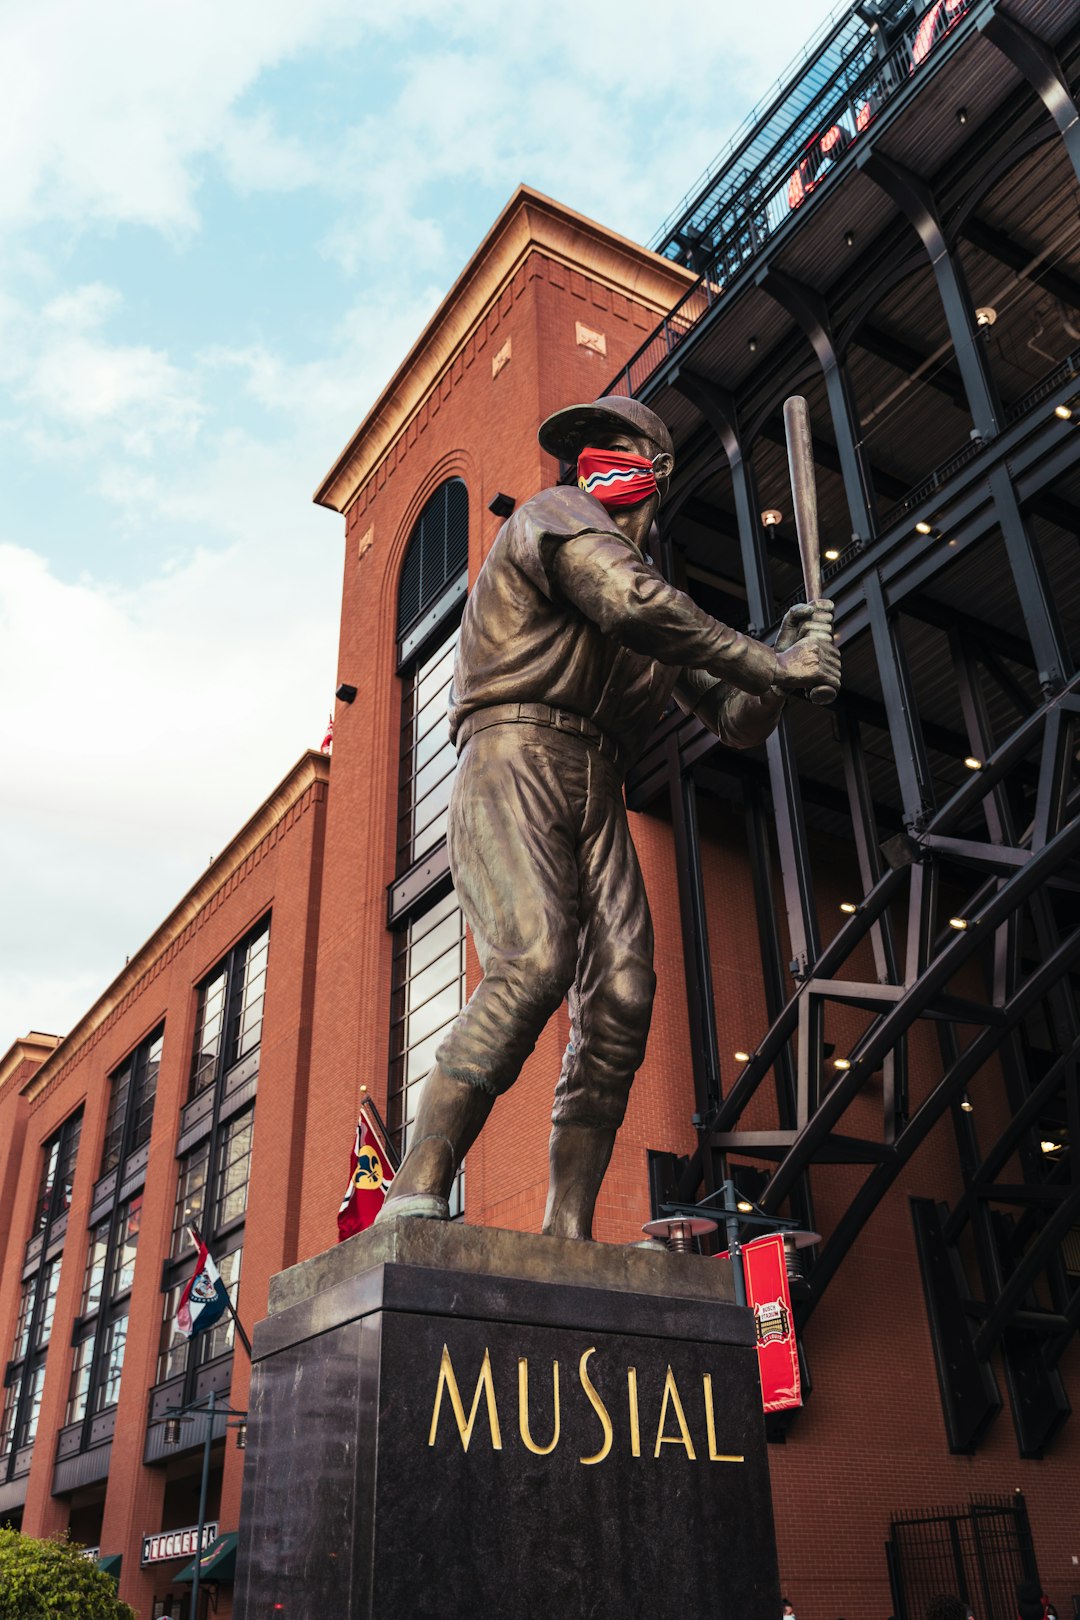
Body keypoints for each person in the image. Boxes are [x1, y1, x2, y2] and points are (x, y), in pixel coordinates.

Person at [377, 394, 839, 1237]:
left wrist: (782, 671)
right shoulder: (559, 519)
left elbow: (733, 719)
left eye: (615, 446)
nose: (593, 460)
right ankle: (417, 1185)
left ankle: (569, 1230)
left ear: (655, 468)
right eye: (587, 449)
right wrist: (772, 661)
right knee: (535, 959)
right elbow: (630, 603)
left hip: (600, 778)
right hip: (512, 751)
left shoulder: (655, 597)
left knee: (623, 996)